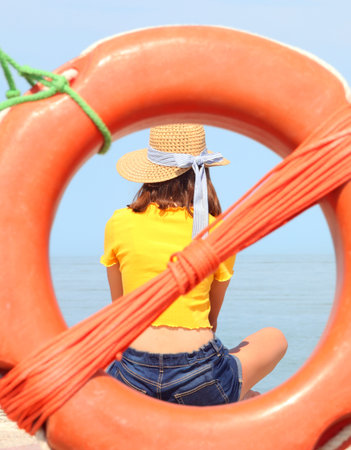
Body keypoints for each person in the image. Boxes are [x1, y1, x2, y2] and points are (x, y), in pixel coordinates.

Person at [101, 123, 287, 405]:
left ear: (149, 172)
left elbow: (120, 311)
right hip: (200, 379)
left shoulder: (119, 222)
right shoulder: (218, 231)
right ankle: (235, 399)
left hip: (132, 377)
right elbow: (211, 320)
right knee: (275, 338)